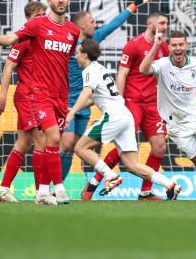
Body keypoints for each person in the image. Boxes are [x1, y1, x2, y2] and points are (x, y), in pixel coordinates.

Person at [0, 0, 81, 205]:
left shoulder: (73, 31)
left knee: (25, 142)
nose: (60, 0)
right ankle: (48, 191)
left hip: (59, 94)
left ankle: (5, 187)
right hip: (33, 94)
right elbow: (9, 61)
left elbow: (64, 61)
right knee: (48, 139)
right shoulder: (33, 30)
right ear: (48, 1)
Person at [66, 40, 182, 200]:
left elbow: (87, 93)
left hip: (113, 116)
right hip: (125, 116)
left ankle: (110, 176)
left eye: (78, 53)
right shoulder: (100, 69)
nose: (76, 56)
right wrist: (73, 109)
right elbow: (93, 99)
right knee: (132, 165)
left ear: (85, 54)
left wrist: (71, 114)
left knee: (80, 148)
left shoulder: (89, 71)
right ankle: (170, 185)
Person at [59, 0, 153, 181]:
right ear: (83, 25)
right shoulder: (67, 43)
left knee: (73, 148)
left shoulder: (91, 42)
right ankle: (52, 186)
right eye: (92, 21)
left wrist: (134, 5)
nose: (96, 25)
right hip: (67, 101)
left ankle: (57, 188)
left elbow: (114, 24)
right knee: (67, 143)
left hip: (85, 104)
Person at [82, 11, 169, 200]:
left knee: (159, 147)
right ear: (150, 23)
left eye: (166, 23)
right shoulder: (134, 44)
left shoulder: (164, 48)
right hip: (132, 102)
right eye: (161, 23)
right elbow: (122, 74)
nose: (164, 26)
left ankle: (145, 192)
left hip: (152, 104)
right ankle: (94, 183)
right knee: (125, 148)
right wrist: (119, 103)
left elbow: (165, 77)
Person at [139, 30, 196, 202]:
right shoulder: (162, 65)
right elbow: (143, 69)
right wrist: (156, 44)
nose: (178, 48)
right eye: (174, 45)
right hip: (177, 126)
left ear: (186, 45)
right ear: (169, 46)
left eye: (181, 44)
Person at [0, 1, 47, 204]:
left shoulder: (43, 39)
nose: (43, 18)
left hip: (39, 96)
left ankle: (4, 189)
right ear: (29, 18)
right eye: (39, 15)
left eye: (44, 15)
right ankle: (41, 192)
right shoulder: (24, 40)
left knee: (23, 143)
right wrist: (3, 96)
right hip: (27, 96)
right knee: (42, 141)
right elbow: (8, 67)